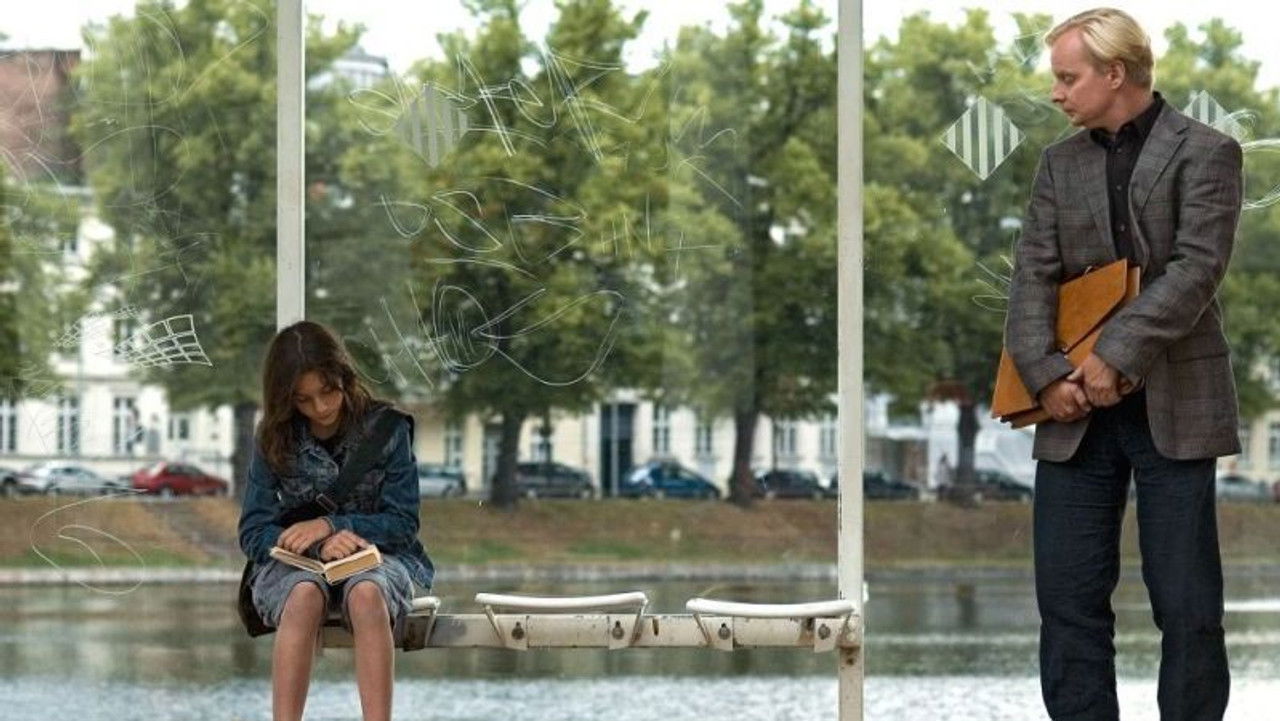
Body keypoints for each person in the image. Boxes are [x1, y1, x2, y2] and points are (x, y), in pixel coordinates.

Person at [1006, 8, 1242, 721]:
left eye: (1067, 77)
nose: (1056, 92)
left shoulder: (1209, 152)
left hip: (1177, 402)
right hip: (1071, 412)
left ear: (1115, 74)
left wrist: (1115, 354)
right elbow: (1032, 276)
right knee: (1067, 603)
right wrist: (1045, 374)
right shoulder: (1058, 163)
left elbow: (1196, 270)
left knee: (1188, 606)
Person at [238, 320, 434, 721]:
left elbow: (403, 524)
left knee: (366, 594)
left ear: (344, 376)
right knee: (304, 595)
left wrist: (335, 527)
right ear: (286, 399)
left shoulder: (388, 428)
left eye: (328, 391)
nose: (321, 407)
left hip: (380, 559)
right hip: (296, 567)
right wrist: (315, 544)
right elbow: (253, 532)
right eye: (304, 399)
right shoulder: (273, 437)